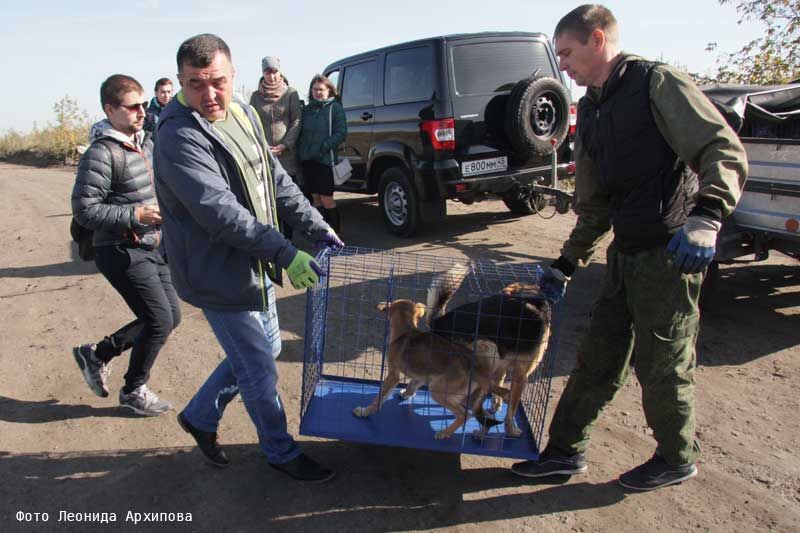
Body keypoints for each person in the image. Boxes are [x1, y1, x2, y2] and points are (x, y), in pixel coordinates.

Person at [510, 5, 748, 491]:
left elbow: (722, 149)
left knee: (663, 364)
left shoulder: (657, 84)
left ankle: (676, 457)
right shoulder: (593, 108)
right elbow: (595, 204)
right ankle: (564, 452)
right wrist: (566, 263)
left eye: (568, 53)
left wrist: (707, 216)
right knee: (597, 356)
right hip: (625, 254)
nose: (564, 68)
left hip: (670, 254)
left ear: (598, 39)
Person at [154, 34, 343, 482]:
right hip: (217, 271)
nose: (209, 94)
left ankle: (200, 416)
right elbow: (221, 214)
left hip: (256, 263)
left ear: (234, 74)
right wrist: (287, 253)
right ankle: (279, 450)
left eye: (217, 81)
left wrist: (316, 223)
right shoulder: (178, 135)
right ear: (181, 81)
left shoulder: (242, 111)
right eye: (195, 85)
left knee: (269, 348)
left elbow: (273, 176)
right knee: (259, 369)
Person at [71, 74, 180, 416]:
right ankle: (134, 390)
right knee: (159, 319)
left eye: (144, 104)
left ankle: (98, 354)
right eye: (132, 106)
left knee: (170, 317)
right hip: (119, 249)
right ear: (109, 109)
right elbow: (85, 210)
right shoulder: (101, 153)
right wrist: (135, 215)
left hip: (152, 245)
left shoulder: (145, 142)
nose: (141, 111)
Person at [249, 56, 303, 240]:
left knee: (288, 197)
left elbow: (296, 120)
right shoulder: (256, 97)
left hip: (287, 155)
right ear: (263, 74)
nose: (271, 76)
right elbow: (251, 122)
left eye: (274, 72)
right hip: (264, 155)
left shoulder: (291, 94)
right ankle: (274, 238)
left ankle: (289, 239)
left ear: (280, 72)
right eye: (267, 72)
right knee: (268, 198)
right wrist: (262, 146)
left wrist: (285, 145)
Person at [298, 74, 347, 233]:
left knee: (327, 199)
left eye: (321, 89)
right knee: (315, 199)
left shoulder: (335, 108)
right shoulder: (306, 109)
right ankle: (323, 234)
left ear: (329, 91)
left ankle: (337, 233)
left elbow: (341, 133)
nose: (317, 92)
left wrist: (323, 147)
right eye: (314, 89)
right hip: (307, 160)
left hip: (324, 160)